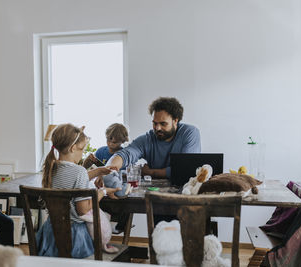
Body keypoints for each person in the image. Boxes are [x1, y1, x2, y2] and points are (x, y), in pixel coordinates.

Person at [36, 124, 120, 258]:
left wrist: (98, 171)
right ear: (72, 148)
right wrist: (102, 192)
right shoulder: (79, 171)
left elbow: (73, 179)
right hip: (74, 237)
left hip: (50, 233)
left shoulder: (51, 167)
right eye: (82, 149)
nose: (82, 154)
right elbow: (83, 210)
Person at [106, 96, 201, 179]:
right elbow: (125, 154)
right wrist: (107, 170)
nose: (157, 128)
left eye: (163, 124)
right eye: (155, 123)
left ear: (175, 121)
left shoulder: (190, 133)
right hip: (153, 190)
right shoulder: (147, 139)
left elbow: (186, 169)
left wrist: (151, 172)